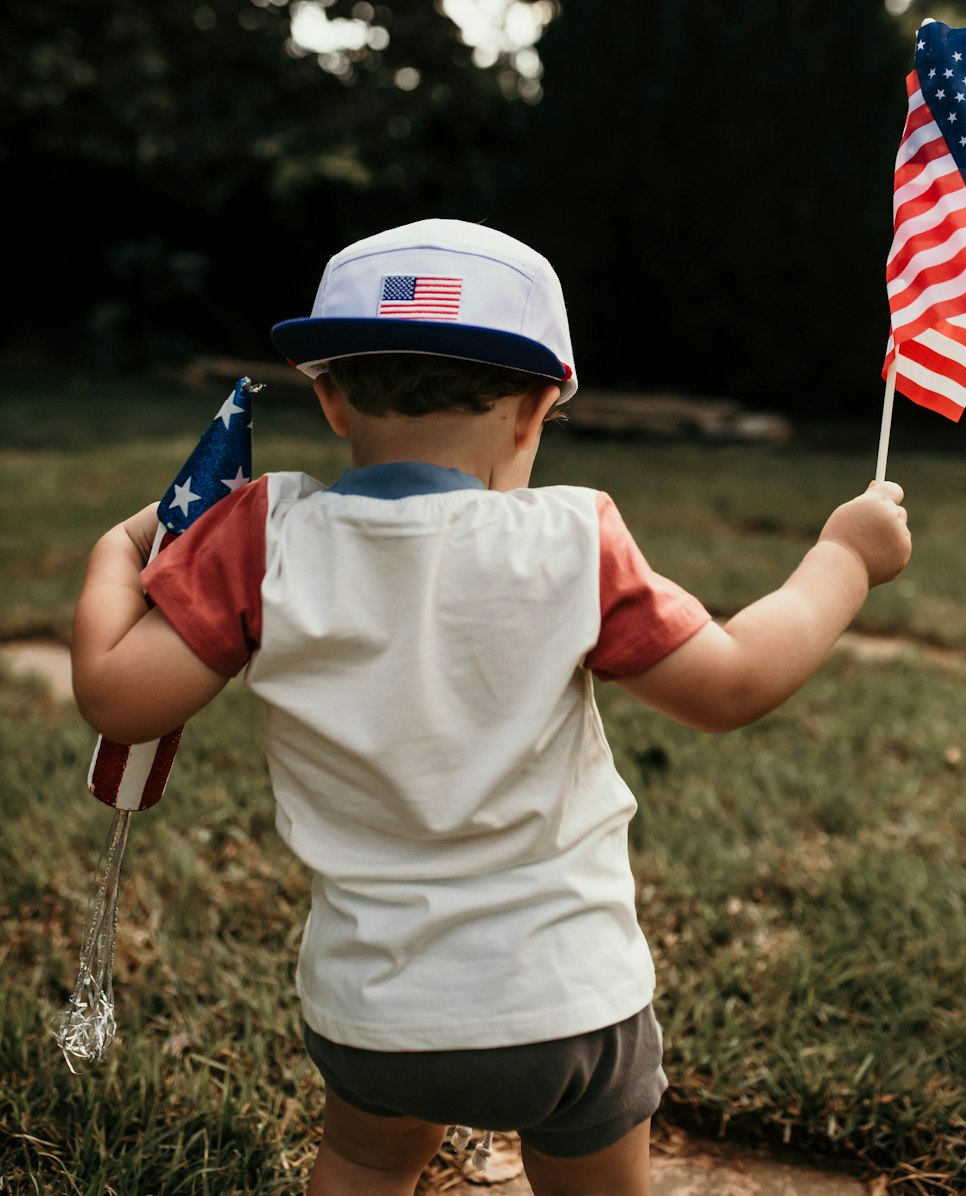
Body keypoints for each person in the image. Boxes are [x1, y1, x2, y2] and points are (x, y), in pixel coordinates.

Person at [71, 218, 912, 1196]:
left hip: (372, 1013)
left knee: (361, 1167)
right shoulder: (570, 537)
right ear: (535, 409)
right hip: (567, 1003)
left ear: (333, 398)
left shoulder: (267, 537)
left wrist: (111, 554)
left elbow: (120, 701)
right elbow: (728, 687)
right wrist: (842, 560)